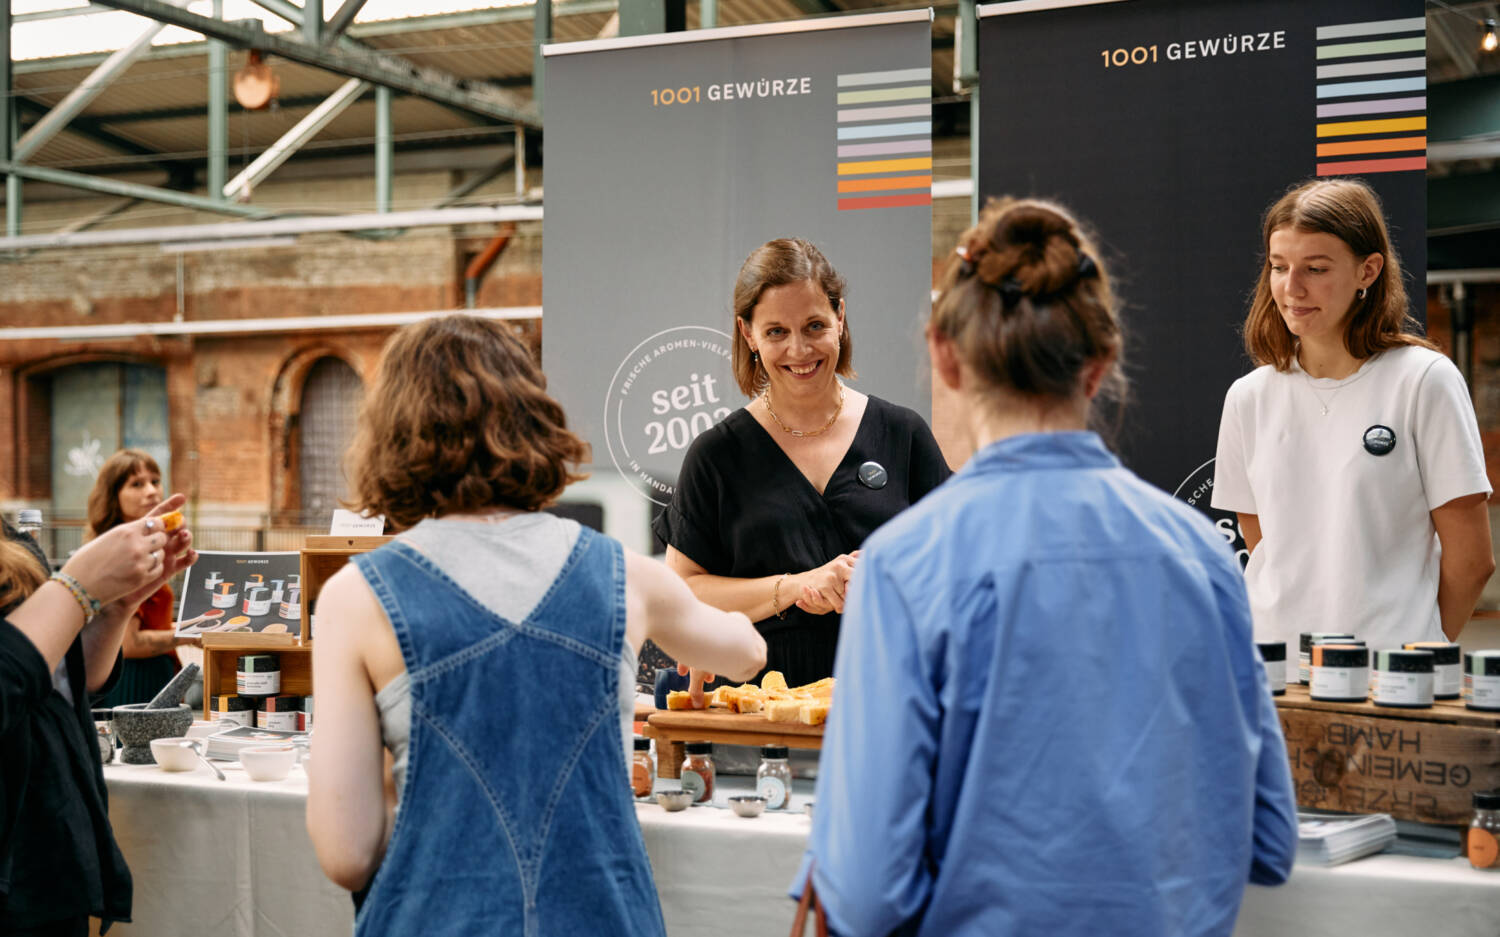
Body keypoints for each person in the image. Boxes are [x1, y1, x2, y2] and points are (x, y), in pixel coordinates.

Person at [795, 198, 1297, 937]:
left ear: (943, 354)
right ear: (1099, 366)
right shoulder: (1204, 558)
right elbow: (1270, 839)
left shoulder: (906, 566)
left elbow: (867, 896)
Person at [305, 314, 766, 936]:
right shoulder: (626, 576)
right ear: (533, 418)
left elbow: (347, 852)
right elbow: (747, 653)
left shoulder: (354, 598)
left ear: (393, 433)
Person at [655, 238, 951, 688]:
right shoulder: (716, 456)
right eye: (776, 331)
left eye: (814, 325)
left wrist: (881, 579)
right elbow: (682, 597)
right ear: (748, 333)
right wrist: (796, 586)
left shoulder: (903, 434)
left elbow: (957, 570)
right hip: (757, 728)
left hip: (895, 703)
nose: (799, 349)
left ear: (840, 318)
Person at [1212, 179, 1494, 649]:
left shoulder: (1423, 380)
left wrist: (1416, 649)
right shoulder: (1249, 396)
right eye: (1279, 267)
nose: (1292, 287)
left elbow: (1472, 560)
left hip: (1388, 675)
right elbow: (1262, 540)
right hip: (1273, 670)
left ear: (1368, 270)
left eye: (1316, 268)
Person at [1, 495, 196, 936]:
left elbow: (63, 681)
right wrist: (76, 588)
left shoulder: (11, 539)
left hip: (53, 850)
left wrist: (113, 608)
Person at [87, 450, 199, 709]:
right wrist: (188, 635)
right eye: (136, 484)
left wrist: (189, 626)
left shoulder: (145, 549)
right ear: (113, 496)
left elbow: (151, 624)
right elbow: (129, 643)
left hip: (155, 679)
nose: (151, 491)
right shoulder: (120, 555)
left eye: (155, 481)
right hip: (132, 683)